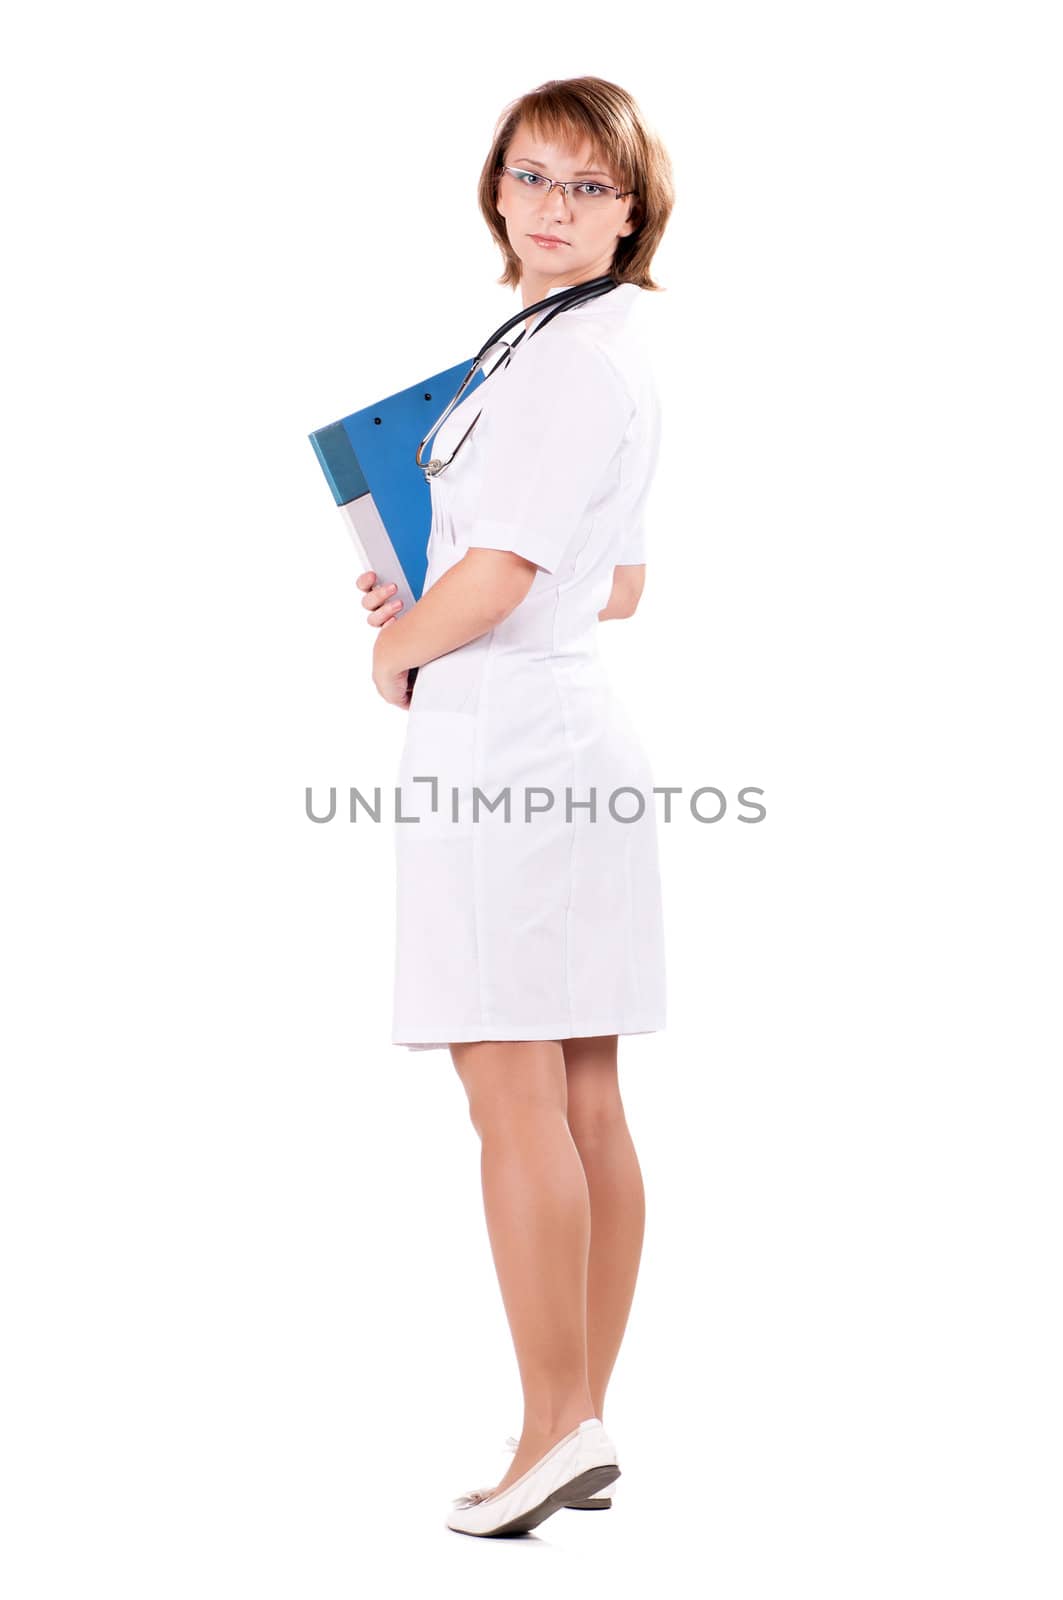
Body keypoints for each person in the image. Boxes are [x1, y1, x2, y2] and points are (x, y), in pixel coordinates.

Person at [357, 76, 675, 1535]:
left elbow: (505, 579)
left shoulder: (560, 367)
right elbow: (611, 579)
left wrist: (399, 640)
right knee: (584, 1089)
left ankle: (551, 1430)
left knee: (513, 1096)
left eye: (585, 187)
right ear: (496, 188)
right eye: (530, 177)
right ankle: (577, 1424)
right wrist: (434, 593)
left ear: (633, 210)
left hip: (511, 759)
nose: (550, 208)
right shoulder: (574, 354)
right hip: (563, 733)